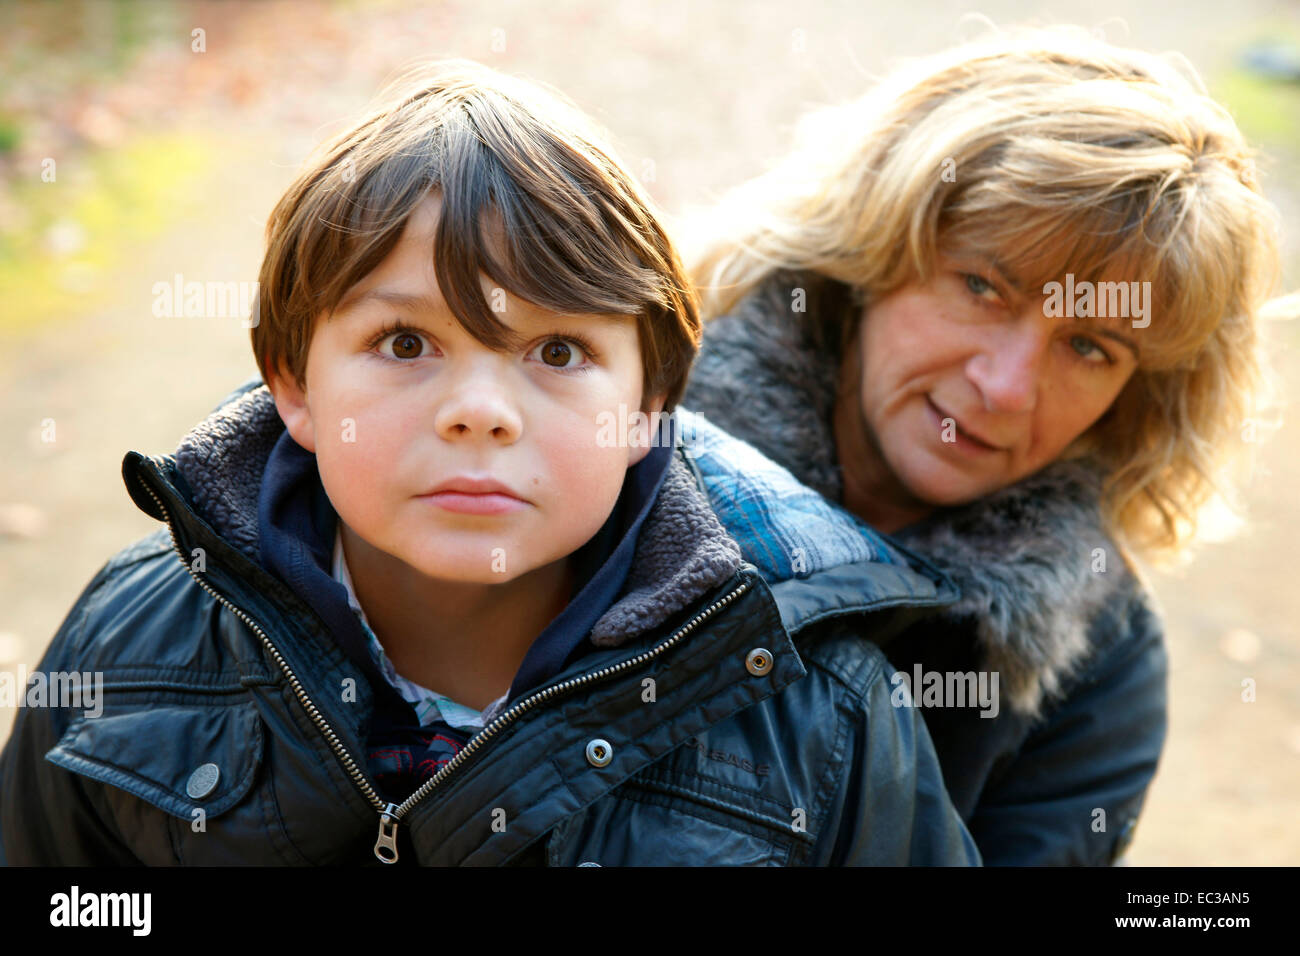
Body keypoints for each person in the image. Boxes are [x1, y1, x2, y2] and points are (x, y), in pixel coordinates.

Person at [0, 60, 979, 866]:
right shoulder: (132, 640)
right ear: (293, 382)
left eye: (556, 352)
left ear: (647, 408)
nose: (478, 412)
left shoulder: (820, 712)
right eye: (404, 343)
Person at [682, 26, 1285, 865]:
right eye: (981, 286)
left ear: (1136, 399)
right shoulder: (621, 439)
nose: (1006, 386)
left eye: (1089, 347)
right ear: (873, 246)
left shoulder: (1101, 666)